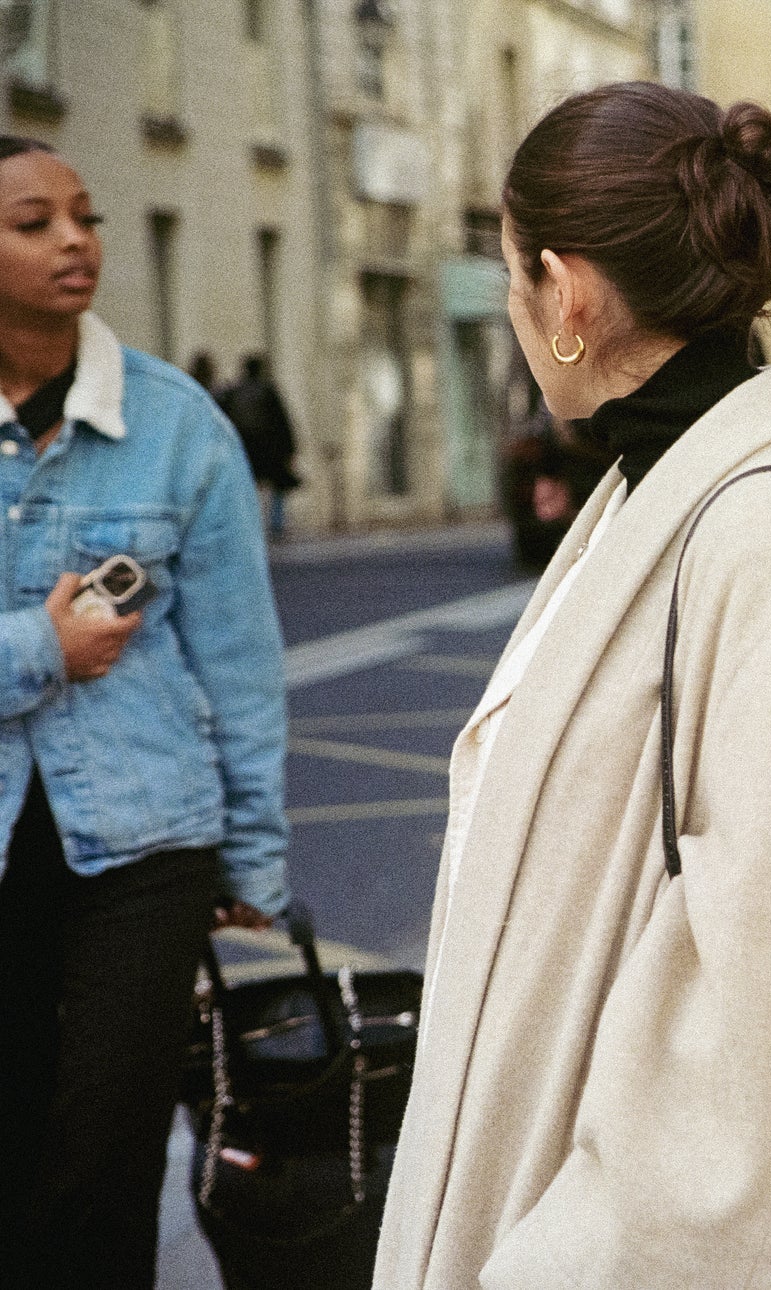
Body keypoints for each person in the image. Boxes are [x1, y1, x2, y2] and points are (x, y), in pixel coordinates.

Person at [374, 84, 771, 1290]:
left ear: (566, 293)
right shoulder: (658, 484)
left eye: (514, 278)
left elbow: (767, 1035)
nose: (516, 312)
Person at [0, 136, 288, 1288]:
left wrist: (253, 855)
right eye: (34, 223)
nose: (76, 241)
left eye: (87, 216)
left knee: (108, 1163)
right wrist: (43, 650)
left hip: (147, 847)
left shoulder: (177, 425)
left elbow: (241, 663)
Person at [219, 352, 301, 540]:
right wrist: (290, 448)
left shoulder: (235, 392)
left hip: (245, 446)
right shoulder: (266, 391)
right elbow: (281, 420)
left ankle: (249, 524)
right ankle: (276, 524)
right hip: (268, 446)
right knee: (278, 485)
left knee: (248, 486)